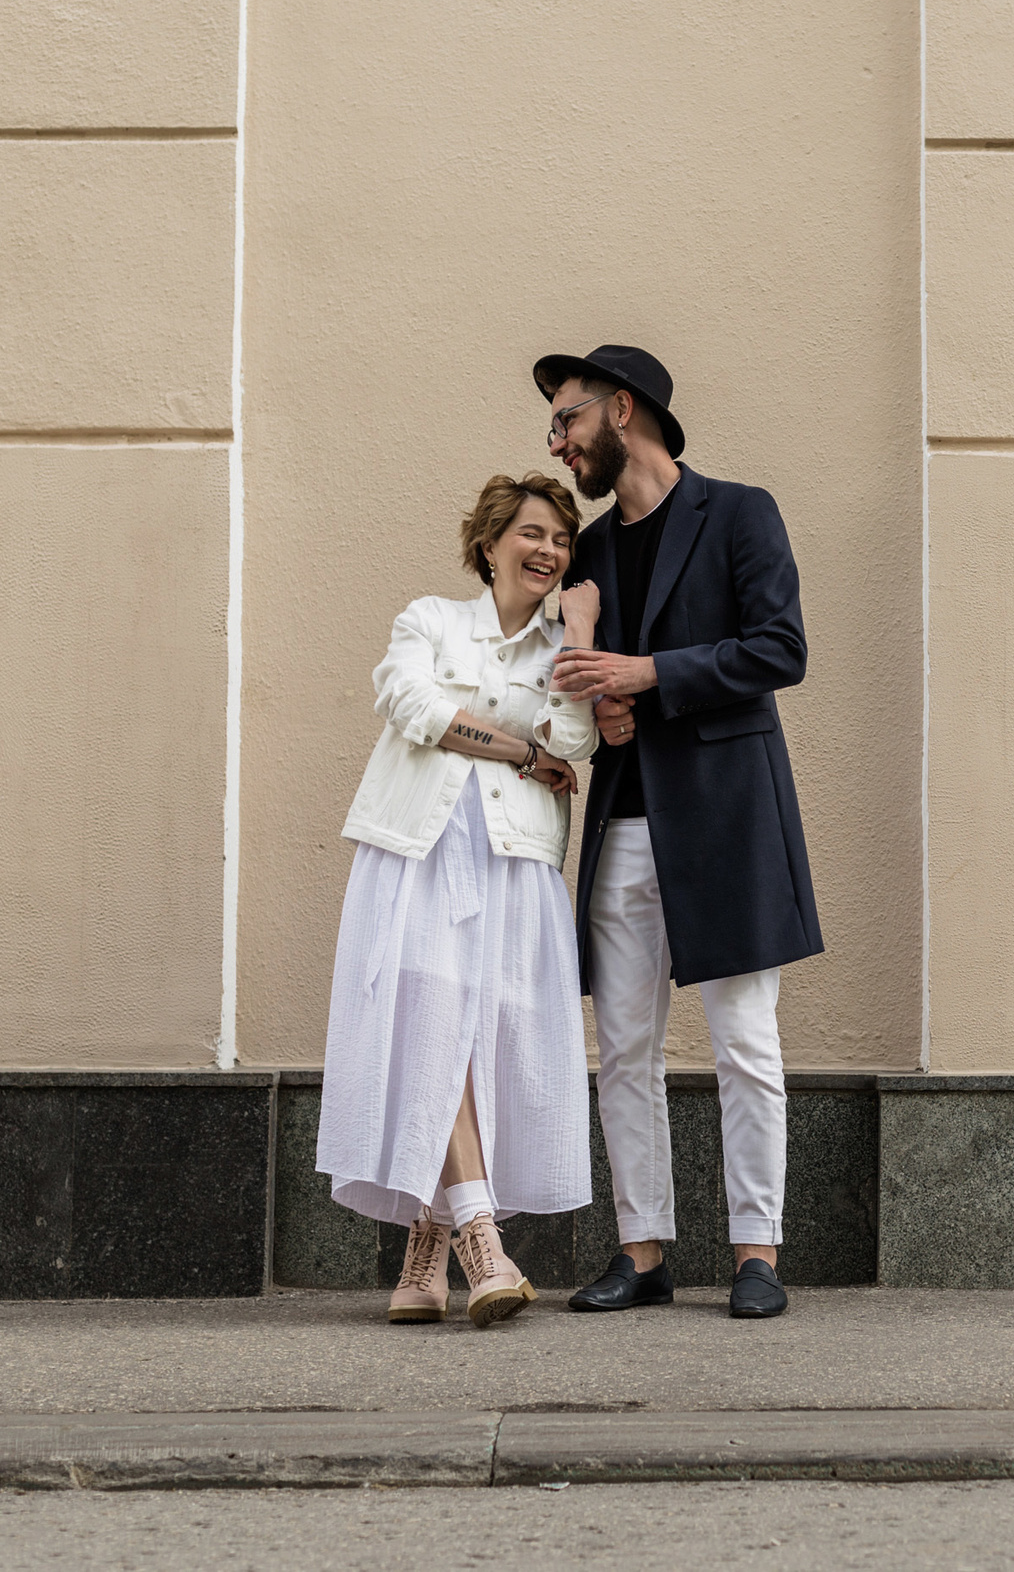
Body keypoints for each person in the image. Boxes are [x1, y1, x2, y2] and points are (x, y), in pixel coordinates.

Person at [535, 344, 822, 1321]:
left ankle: (756, 1253)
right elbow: (578, 689)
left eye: (565, 419)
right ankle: (643, 1251)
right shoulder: (591, 552)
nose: (556, 443)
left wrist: (646, 675)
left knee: (745, 1040)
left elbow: (779, 648)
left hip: (728, 819)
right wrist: (595, 685)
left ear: (622, 411)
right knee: (621, 1048)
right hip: (620, 823)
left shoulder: (741, 512)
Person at [316, 471, 602, 1326]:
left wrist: (581, 632)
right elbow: (411, 704)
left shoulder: (559, 649)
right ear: (489, 543)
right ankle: (481, 1237)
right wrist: (518, 751)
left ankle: (421, 1260)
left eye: (560, 538)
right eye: (531, 532)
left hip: (514, 861)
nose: (548, 549)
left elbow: (577, 739)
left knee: (477, 1040)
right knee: (432, 1018)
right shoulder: (432, 618)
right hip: (421, 851)